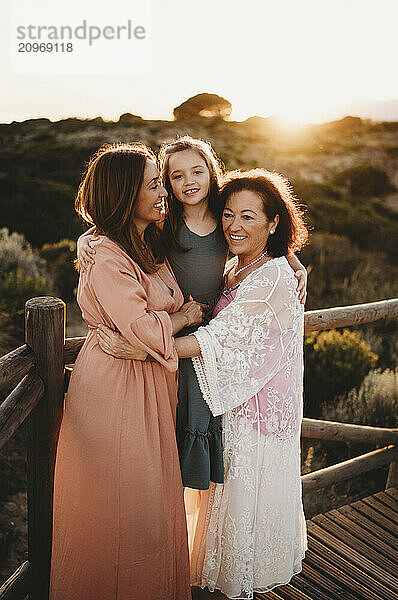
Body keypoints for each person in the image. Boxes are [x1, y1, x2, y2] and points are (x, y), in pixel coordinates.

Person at [95, 168, 309, 599]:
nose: (234, 225)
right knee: (224, 495)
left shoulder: (274, 278)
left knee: (244, 497)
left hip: (258, 409)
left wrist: (146, 349)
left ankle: (237, 578)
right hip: (236, 402)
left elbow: (222, 338)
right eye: (228, 214)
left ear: (274, 223)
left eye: (250, 217)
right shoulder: (237, 267)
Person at [78, 137, 308, 501]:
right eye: (176, 176)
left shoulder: (223, 216)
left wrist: (296, 266)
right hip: (169, 332)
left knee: (203, 423)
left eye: (197, 172)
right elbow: (120, 222)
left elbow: (266, 232)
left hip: (209, 336)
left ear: (212, 173)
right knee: (170, 424)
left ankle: (196, 512)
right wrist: (85, 239)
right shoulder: (164, 222)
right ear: (166, 183)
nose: (189, 182)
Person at [50, 143, 205, 600]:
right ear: (124, 195)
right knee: (125, 506)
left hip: (150, 381)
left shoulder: (145, 239)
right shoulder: (107, 255)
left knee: (150, 503)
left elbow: (246, 208)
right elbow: (136, 327)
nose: (165, 192)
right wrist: (184, 318)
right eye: (155, 184)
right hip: (116, 388)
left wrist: (292, 258)